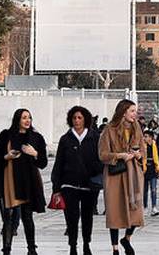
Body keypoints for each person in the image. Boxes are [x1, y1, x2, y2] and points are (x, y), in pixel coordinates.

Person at [0, 108, 48, 255]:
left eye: (29, 117)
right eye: (24, 118)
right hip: (9, 181)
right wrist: (7, 157)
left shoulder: (36, 137)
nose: (27, 120)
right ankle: (6, 248)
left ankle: (31, 248)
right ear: (17, 119)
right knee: (8, 217)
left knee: (27, 217)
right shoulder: (6, 135)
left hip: (28, 182)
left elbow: (43, 163)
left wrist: (34, 153)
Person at [52, 105, 102, 255]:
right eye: (74, 118)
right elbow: (59, 163)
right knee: (71, 218)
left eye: (80, 117)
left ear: (85, 119)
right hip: (69, 185)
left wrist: (96, 172)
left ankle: (87, 243)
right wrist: (56, 188)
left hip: (89, 185)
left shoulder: (95, 138)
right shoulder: (65, 139)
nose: (77, 120)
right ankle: (72, 246)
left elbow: (101, 159)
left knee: (87, 217)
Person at [99, 100, 145, 255]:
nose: (135, 114)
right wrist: (119, 155)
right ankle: (115, 248)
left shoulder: (137, 128)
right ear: (123, 112)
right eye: (132, 111)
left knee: (136, 211)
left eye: (135, 111)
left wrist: (138, 155)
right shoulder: (109, 130)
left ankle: (127, 238)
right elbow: (102, 154)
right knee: (115, 210)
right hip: (115, 176)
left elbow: (143, 152)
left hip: (133, 175)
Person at [141, 131, 159, 216]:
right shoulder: (141, 146)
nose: (144, 138)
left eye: (146, 136)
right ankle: (145, 207)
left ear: (150, 137)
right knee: (144, 190)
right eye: (144, 136)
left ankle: (154, 207)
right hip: (144, 169)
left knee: (153, 189)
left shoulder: (155, 145)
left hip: (153, 169)